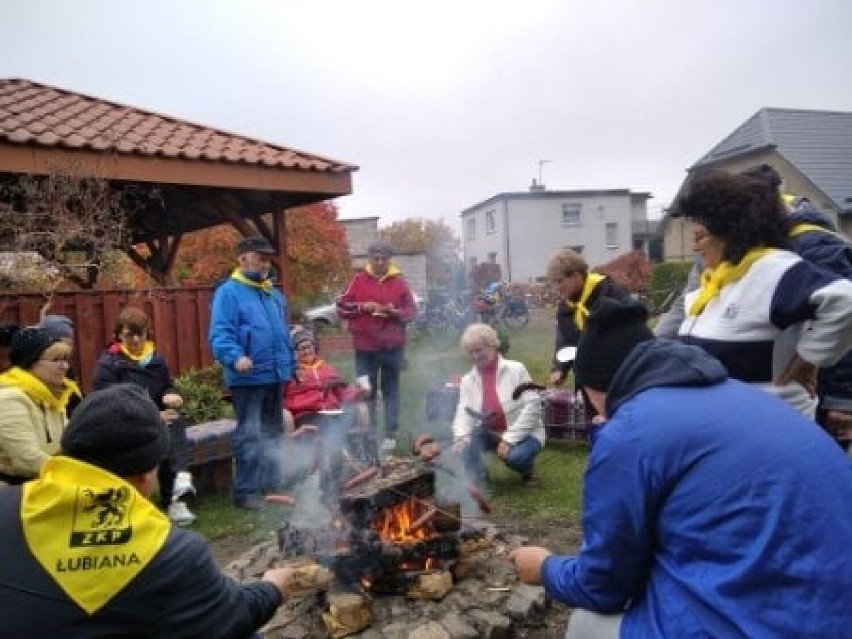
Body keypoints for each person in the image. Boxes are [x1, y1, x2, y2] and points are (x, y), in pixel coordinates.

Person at [510, 298, 852, 638]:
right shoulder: (745, 396)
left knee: (586, 624)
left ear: (597, 386)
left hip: (768, 623)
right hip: (830, 609)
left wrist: (545, 567)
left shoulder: (632, 431)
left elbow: (602, 586)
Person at [0, 383, 297, 638]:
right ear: (147, 473)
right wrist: (272, 588)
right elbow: (229, 618)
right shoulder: (171, 553)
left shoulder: (9, 504)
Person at [674, 170, 852, 417]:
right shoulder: (720, 277)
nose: (694, 247)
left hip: (771, 425)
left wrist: (810, 358)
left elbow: (844, 298)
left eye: (700, 237)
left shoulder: (773, 269)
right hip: (729, 427)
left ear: (730, 233)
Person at [208, 234, 295, 510]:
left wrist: (291, 366)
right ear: (242, 258)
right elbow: (219, 334)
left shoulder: (272, 293)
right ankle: (246, 492)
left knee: (273, 431)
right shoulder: (229, 292)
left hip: (274, 375)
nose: (265, 263)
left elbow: (281, 334)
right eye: (260, 257)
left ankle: (272, 484)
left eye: (268, 258)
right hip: (247, 378)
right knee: (250, 433)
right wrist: (235, 357)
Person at [91, 306, 196, 526]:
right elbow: (110, 404)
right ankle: (138, 503)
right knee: (157, 431)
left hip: (157, 420)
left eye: (141, 334)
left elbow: (167, 385)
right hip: (122, 424)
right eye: (130, 334)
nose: (136, 340)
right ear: (119, 335)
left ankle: (176, 494)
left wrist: (171, 395)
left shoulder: (155, 359)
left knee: (175, 421)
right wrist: (152, 416)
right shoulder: (109, 364)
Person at [336, 242, 417, 452]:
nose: (380, 262)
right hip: (365, 347)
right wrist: (364, 307)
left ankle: (390, 434)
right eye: (375, 258)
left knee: (391, 390)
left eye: (384, 258)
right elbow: (341, 307)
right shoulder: (358, 280)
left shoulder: (399, 282)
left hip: (392, 346)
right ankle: (368, 432)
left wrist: (395, 313)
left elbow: (412, 312)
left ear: (389, 260)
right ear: (369, 259)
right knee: (366, 390)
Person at [451, 323, 544, 487]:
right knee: (462, 446)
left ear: (492, 345)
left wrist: (508, 440)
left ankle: (527, 470)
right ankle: (479, 477)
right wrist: (461, 437)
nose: (475, 356)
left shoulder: (516, 369)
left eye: (479, 350)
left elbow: (533, 406)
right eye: (470, 352)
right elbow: (463, 411)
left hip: (525, 433)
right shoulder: (467, 380)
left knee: (516, 458)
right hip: (490, 432)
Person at [0, 326, 79, 486]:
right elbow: (26, 459)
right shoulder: (9, 399)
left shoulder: (54, 396)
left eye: (65, 359)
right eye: (56, 360)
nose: (65, 367)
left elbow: (67, 445)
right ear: (30, 362)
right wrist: (77, 473)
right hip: (14, 492)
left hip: (48, 482)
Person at [545, 248, 631, 386]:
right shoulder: (566, 306)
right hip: (587, 377)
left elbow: (631, 331)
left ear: (576, 275)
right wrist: (560, 367)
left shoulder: (609, 292)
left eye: (560, 281)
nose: (556, 288)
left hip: (618, 373)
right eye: (554, 283)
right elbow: (565, 339)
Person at [283, 327, 367, 435]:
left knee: (355, 414)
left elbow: (342, 391)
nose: (307, 351)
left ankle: (360, 449)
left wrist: (359, 392)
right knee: (330, 427)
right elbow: (283, 398)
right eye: (302, 348)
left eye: (309, 346)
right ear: (294, 352)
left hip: (333, 412)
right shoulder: (291, 373)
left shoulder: (327, 369)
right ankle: (339, 450)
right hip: (307, 414)